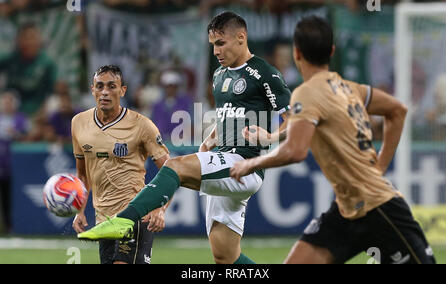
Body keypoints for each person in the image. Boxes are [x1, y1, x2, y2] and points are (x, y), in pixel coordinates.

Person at [78, 12, 292, 264]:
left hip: (245, 165)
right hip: (224, 161)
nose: (216, 52)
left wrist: (269, 137)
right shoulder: (220, 76)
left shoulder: (264, 73)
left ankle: (123, 220)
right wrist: (211, 138)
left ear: (241, 37)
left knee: (175, 167)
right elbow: (228, 117)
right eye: (213, 45)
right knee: (225, 257)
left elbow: (297, 122)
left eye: (221, 43)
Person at [230, 16, 436, 264]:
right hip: (346, 210)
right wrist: (273, 136)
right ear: (332, 51)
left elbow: (296, 151)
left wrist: (250, 164)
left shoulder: (306, 93)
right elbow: (398, 111)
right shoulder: (350, 89)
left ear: (297, 53)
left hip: (380, 208)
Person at [71, 65, 171, 264]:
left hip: (135, 215)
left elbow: (171, 169)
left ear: (122, 90)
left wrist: (160, 208)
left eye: (111, 86)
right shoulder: (79, 123)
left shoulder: (141, 125)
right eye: (99, 86)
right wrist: (79, 210)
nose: (105, 92)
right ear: (92, 90)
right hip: (104, 221)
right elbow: (83, 174)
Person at [0, 22, 57, 116]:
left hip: (38, 109)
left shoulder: (47, 63)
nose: (29, 42)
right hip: (11, 110)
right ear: (18, 40)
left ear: (39, 40)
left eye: (32, 38)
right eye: (25, 38)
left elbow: (52, 93)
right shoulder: (11, 58)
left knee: (54, 104)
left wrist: (42, 113)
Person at [0, 90, 27, 232]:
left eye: (9, 101)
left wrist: (15, 134)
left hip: (13, 164)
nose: (6, 104)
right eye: (4, 101)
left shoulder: (20, 119)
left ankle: (10, 225)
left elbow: (27, 137)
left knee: (9, 196)